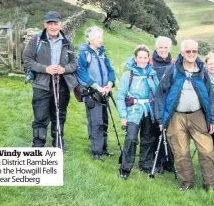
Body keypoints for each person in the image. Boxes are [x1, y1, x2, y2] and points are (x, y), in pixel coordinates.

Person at [154, 39, 214, 192]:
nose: (191, 54)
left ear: (197, 53)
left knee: (207, 150)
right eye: (188, 51)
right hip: (176, 117)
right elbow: (160, 94)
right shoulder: (173, 70)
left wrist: (213, 119)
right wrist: (160, 118)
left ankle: (210, 183)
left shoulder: (202, 71)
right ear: (182, 53)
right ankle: (187, 181)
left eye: (194, 51)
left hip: (198, 116)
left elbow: (210, 96)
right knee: (181, 152)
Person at [22, 11, 77, 150]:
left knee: (59, 114)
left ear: (60, 24)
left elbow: (75, 63)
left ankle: (57, 142)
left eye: (56, 23)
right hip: (42, 84)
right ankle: (38, 144)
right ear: (45, 24)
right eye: (50, 24)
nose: (53, 27)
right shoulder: (36, 40)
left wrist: (64, 69)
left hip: (62, 84)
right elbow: (27, 60)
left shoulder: (67, 42)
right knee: (40, 115)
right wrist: (45, 69)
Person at [116, 45, 160, 180]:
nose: (142, 60)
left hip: (149, 110)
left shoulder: (152, 75)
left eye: (145, 57)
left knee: (148, 138)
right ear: (135, 58)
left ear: (149, 59)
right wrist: (123, 116)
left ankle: (145, 165)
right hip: (133, 111)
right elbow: (120, 96)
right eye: (140, 57)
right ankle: (126, 167)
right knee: (131, 137)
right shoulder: (128, 75)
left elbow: (158, 94)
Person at [76, 26, 116, 161]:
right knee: (96, 122)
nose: (101, 39)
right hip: (92, 94)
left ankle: (104, 149)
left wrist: (110, 83)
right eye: (99, 37)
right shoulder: (84, 54)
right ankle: (96, 152)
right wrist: (98, 87)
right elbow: (82, 74)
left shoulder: (102, 53)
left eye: (101, 36)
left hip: (104, 93)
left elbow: (111, 70)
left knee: (104, 121)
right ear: (90, 39)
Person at [150, 35, 175, 173]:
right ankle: (156, 162)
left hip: (170, 102)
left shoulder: (174, 63)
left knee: (171, 133)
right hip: (154, 101)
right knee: (155, 133)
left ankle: (169, 161)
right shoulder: (150, 62)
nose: (164, 50)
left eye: (166, 47)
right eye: (161, 47)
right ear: (156, 48)